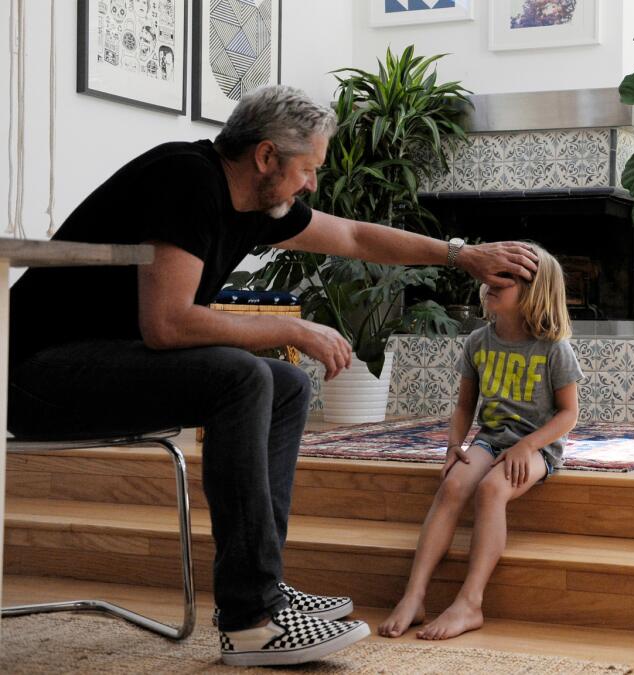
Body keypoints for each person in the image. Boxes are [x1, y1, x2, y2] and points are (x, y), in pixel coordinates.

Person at [7, 84, 539, 667]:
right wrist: (294, 329)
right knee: (245, 377)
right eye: (307, 168)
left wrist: (460, 254)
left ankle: (260, 583)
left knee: (286, 385)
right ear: (266, 157)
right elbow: (167, 323)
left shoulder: (258, 204)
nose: (311, 183)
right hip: (35, 377)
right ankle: (249, 621)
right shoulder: (186, 180)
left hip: (103, 367)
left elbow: (355, 236)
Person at [378, 244, 581, 641]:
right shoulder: (477, 342)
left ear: (534, 292)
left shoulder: (554, 348)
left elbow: (568, 414)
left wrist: (527, 447)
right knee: (453, 484)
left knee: (491, 490)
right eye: (491, 277)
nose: (490, 283)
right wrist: (455, 445)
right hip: (491, 439)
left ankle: (470, 602)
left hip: (537, 447)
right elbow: (464, 405)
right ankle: (414, 595)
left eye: (504, 280)